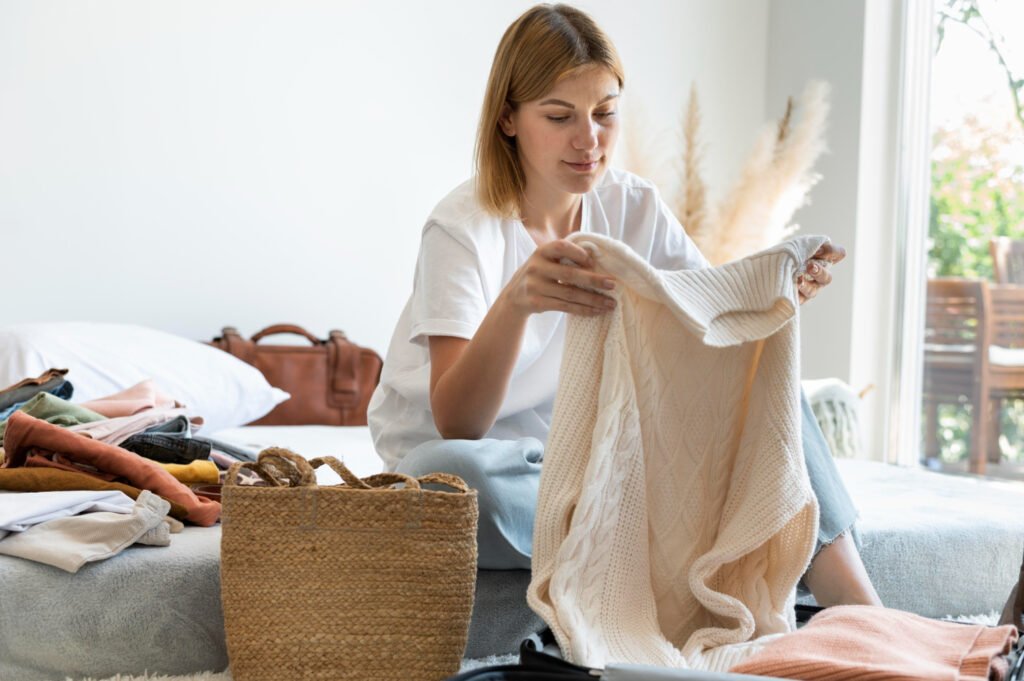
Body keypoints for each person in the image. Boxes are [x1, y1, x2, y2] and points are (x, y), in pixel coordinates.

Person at [368, 3, 881, 608]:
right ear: (508, 119)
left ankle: (860, 610)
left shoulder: (633, 206)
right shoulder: (461, 229)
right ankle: (662, 536)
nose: (589, 140)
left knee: (767, 380)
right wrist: (516, 303)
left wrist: (774, 295)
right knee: (455, 482)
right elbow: (458, 422)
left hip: (594, 462)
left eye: (605, 114)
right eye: (559, 116)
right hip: (488, 464)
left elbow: (709, 323)